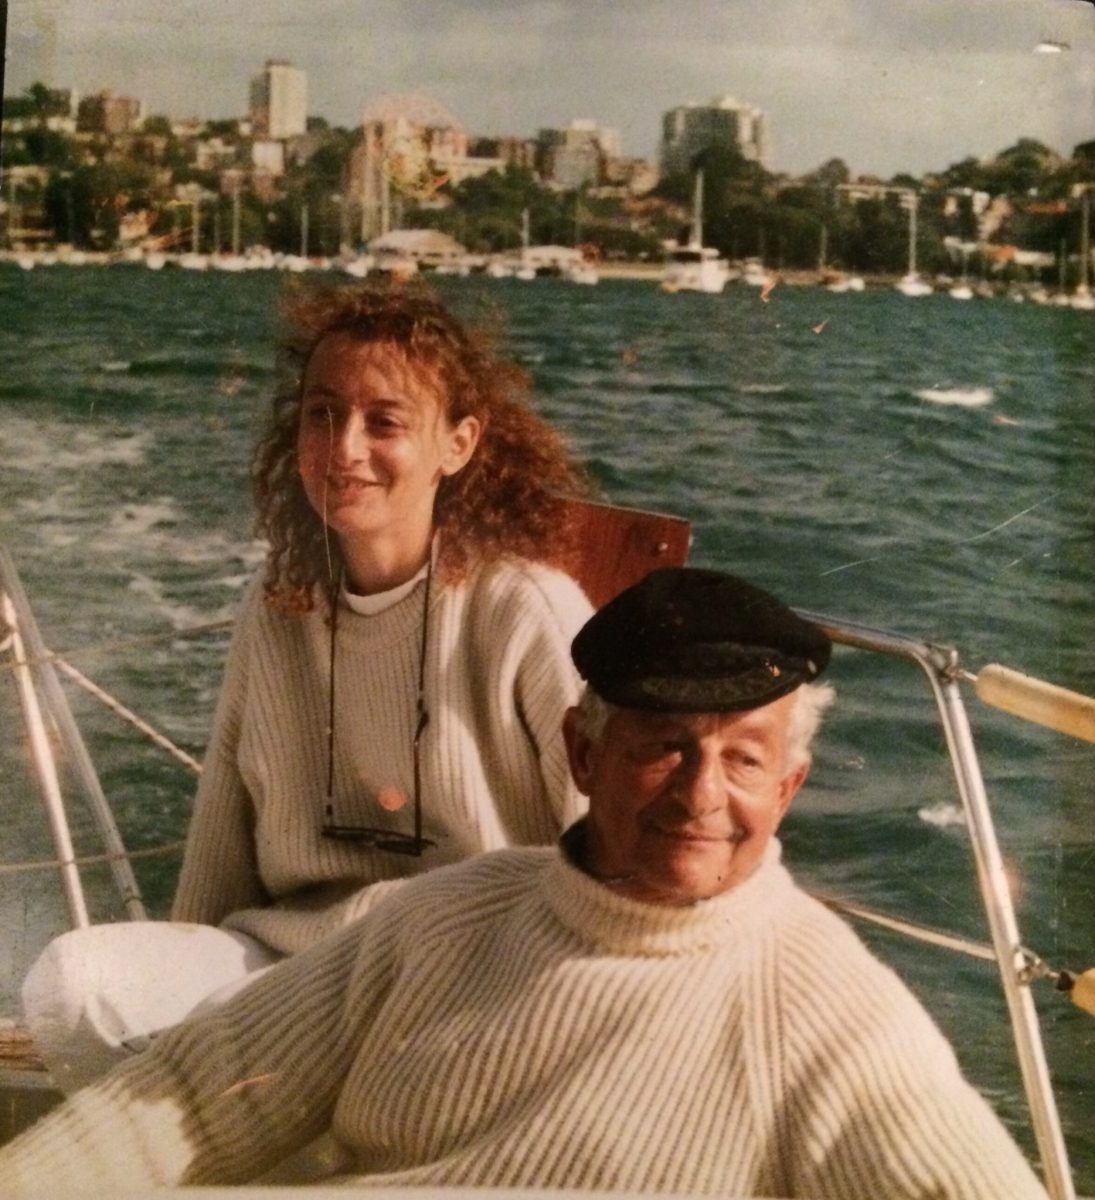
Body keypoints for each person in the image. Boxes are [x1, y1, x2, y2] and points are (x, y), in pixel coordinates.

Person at [0, 568, 1048, 1199]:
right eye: (664, 747)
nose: (701, 795)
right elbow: (184, 1100)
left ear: (792, 784)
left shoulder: (828, 1014)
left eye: (743, 758)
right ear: (581, 758)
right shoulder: (446, 918)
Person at [23, 282, 595, 1091]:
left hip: (471, 983)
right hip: (292, 966)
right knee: (74, 987)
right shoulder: (280, 602)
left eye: (384, 421)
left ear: (458, 444)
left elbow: (604, 842)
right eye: (321, 414)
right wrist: (181, 987)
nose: (344, 448)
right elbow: (225, 817)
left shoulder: (524, 610)